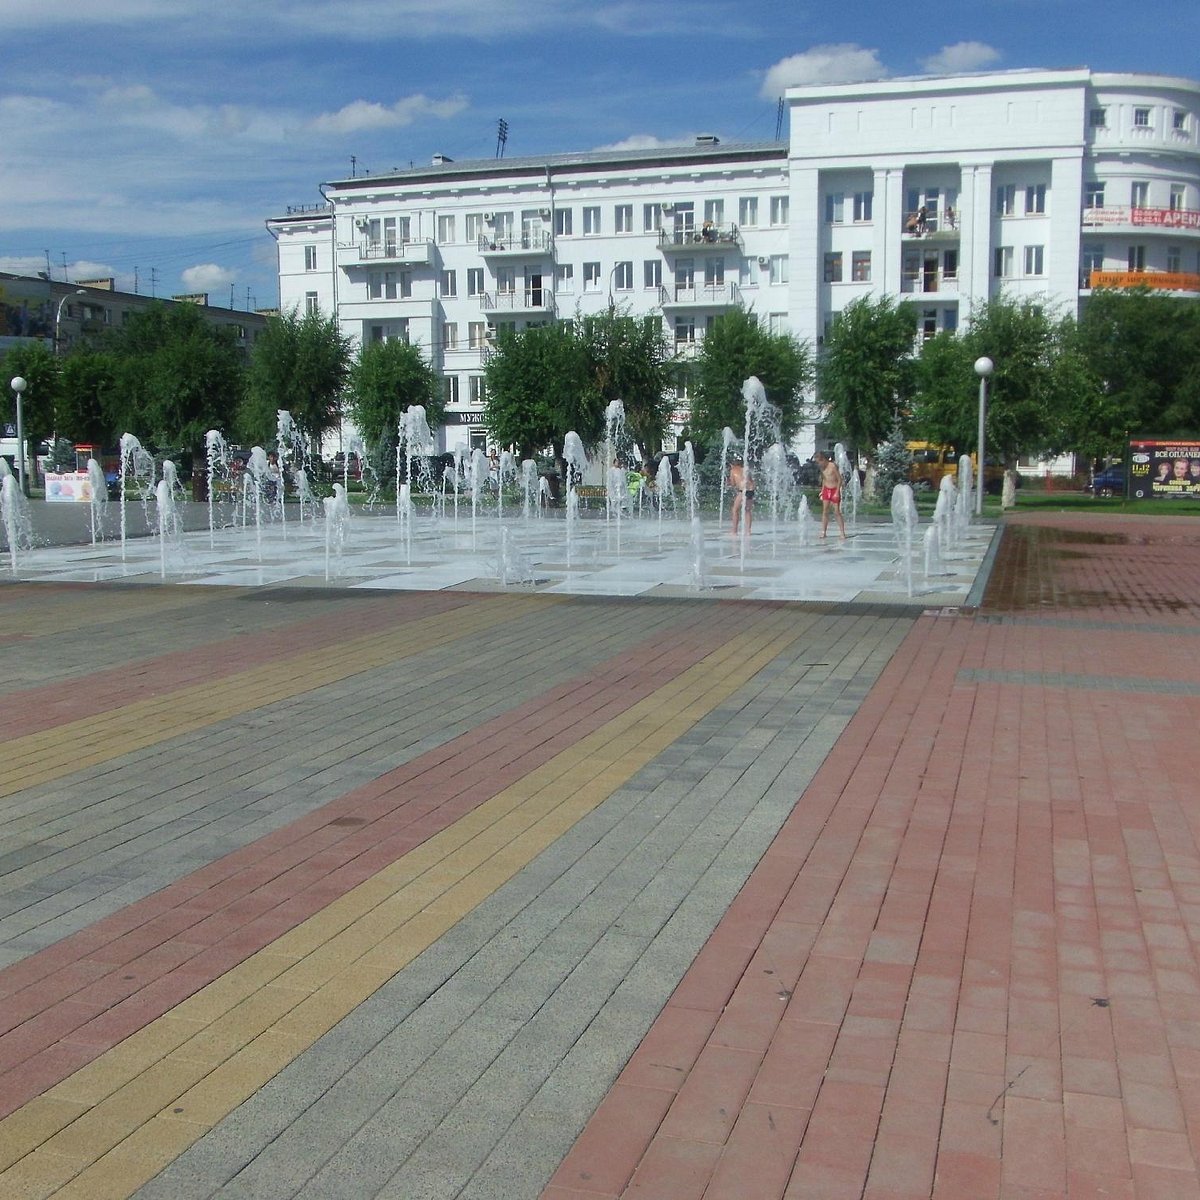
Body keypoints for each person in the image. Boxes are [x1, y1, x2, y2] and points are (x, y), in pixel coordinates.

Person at [815, 451, 847, 540]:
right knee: (825, 511)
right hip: (826, 490)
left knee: (836, 511)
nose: (819, 464)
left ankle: (842, 532)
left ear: (823, 459)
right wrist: (822, 491)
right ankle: (823, 532)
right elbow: (824, 480)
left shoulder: (832, 466)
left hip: (834, 490)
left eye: (819, 462)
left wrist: (837, 492)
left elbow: (840, 480)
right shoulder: (822, 468)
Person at [729, 456, 754, 536]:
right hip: (751, 490)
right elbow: (751, 480)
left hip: (743, 490)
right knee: (748, 510)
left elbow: (733, 484)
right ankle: (748, 531)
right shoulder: (745, 469)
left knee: (735, 510)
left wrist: (729, 483)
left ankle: (734, 531)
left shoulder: (733, 470)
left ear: (732, 464)